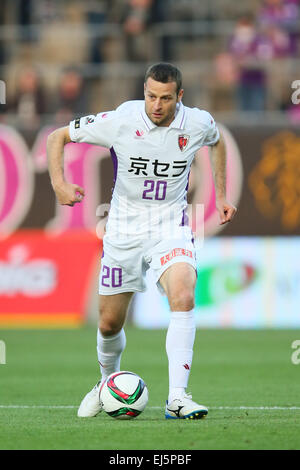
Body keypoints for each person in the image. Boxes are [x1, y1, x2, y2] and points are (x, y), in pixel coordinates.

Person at [47, 62, 237, 420]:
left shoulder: (196, 123)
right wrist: (59, 182)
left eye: (165, 98)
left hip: (170, 227)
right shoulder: (122, 119)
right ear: (144, 92)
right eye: (151, 96)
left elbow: (218, 140)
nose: (157, 105)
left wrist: (222, 195)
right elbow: (57, 137)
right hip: (123, 231)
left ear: (179, 96)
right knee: (108, 324)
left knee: (183, 292)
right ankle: (107, 383)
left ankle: (178, 398)